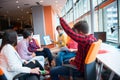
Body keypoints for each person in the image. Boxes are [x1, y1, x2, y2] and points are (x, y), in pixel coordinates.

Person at [50, 14, 96, 80]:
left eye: (76, 32)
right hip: (80, 65)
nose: (75, 34)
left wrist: (61, 18)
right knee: (65, 61)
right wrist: (75, 58)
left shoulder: (85, 40)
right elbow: (85, 52)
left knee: (52, 71)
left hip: (78, 69)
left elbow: (70, 32)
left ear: (80, 32)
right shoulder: (92, 38)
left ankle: (61, 73)